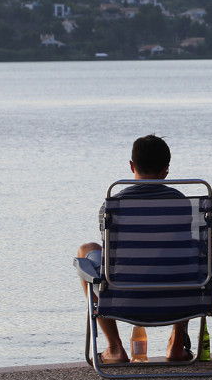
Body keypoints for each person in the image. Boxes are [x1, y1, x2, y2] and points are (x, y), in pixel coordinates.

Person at [76, 134, 192, 364]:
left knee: (86, 250)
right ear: (166, 170)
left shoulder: (112, 206)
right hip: (176, 297)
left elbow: (111, 255)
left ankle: (115, 348)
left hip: (123, 297)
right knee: (188, 257)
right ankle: (176, 346)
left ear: (132, 166)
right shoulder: (184, 204)